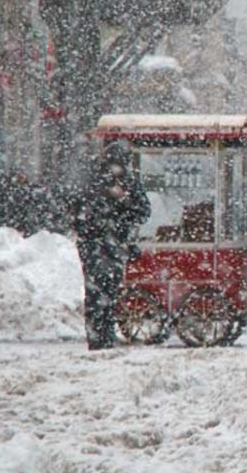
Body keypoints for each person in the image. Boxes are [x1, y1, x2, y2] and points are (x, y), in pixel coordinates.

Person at [74, 142, 150, 350]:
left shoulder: (125, 182)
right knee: (100, 292)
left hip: (109, 244)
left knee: (104, 292)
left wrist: (124, 201)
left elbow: (142, 211)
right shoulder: (97, 182)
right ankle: (100, 336)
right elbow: (82, 211)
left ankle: (101, 335)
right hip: (100, 244)